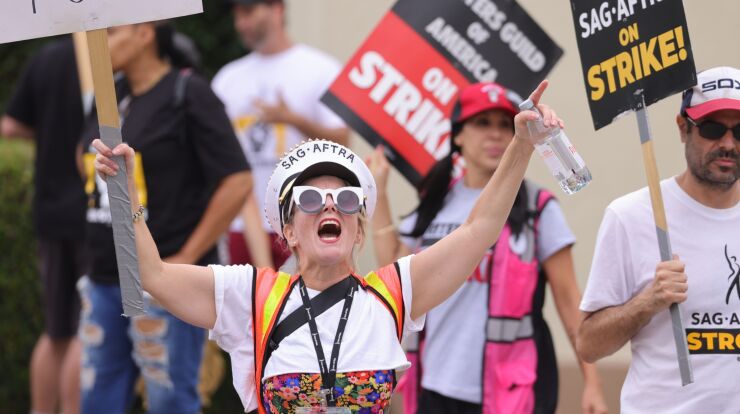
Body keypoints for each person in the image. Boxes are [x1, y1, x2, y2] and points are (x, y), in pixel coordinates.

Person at [91, 81, 561, 413]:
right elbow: (151, 275)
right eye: (311, 199)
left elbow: (479, 229)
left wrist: (522, 146)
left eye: (347, 200)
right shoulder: (250, 296)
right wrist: (125, 193)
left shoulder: (394, 292)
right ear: (289, 231)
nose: (329, 207)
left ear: (359, 229)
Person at [368, 83, 607, 414]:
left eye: (502, 124)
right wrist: (378, 189)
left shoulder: (539, 208)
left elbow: (569, 302)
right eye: (482, 123)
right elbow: (397, 278)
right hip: (433, 386)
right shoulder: (435, 201)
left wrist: (592, 384)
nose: (495, 134)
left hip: (510, 393)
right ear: (458, 135)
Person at [77, 21, 252, 414]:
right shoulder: (110, 96)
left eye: (112, 33)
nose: (100, 45)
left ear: (145, 33)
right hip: (106, 275)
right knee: (97, 397)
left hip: (165, 280)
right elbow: (84, 156)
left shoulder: (188, 93)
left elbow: (237, 181)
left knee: (169, 398)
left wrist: (186, 257)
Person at [578, 66, 740, 413]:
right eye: (712, 128)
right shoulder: (631, 216)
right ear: (683, 128)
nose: (728, 144)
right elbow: (589, 344)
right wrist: (647, 302)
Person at [212, 0, 349, 269]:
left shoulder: (319, 68)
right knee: (245, 311)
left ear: (277, 10)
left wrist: (291, 119)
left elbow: (343, 141)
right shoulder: (227, 78)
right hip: (240, 223)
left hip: (303, 215)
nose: (241, 24)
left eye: (249, 12)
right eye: (237, 15)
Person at [1, 37, 88, 414]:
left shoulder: (46, 58)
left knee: (55, 330)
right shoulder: (110, 55)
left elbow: (10, 126)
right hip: (92, 214)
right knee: (88, 329)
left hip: (50, 210)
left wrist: (49, 133)